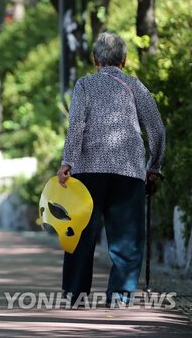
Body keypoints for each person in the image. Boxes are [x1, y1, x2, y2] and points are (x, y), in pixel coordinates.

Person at [56, 32, 165, 307]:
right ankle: (119, 296)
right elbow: (157, 130)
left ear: (95, 60)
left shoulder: (84, 85)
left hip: (87, 173)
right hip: (128, 172)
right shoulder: (136, 86)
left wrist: (67, 162)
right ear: (124, 60)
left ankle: (75, 295)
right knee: (127, 239)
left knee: (81, 235)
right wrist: (154, 166)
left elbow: (76, 125)